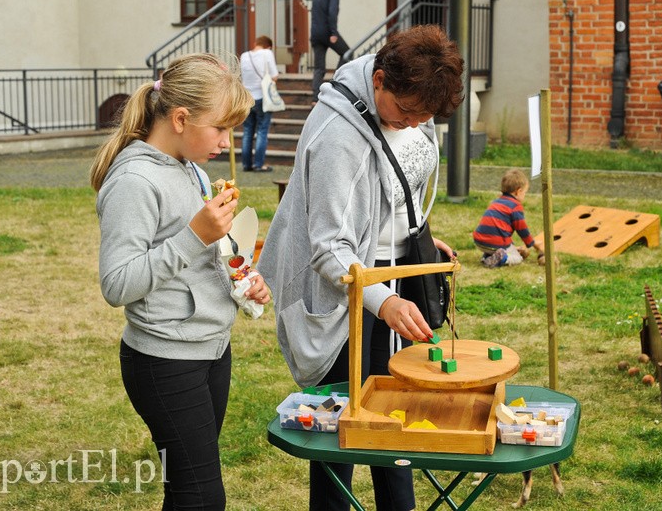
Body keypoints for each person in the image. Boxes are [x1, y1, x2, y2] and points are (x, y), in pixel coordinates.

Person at [259, 25, 464, 511]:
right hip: (347, 295)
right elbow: (329, 246)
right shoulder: (338, 136)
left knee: (395, 428)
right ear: (378, 81)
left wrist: (417, 241)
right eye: (407, 113)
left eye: (425, 117)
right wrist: (385, 301)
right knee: (344, 434)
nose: (414, 124)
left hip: (389, 278)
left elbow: (390, 192)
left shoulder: (411, 99)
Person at [90, 53, 271, 511]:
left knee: (191, 491)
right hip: (165, 361)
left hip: (211, 349)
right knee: (202, 496)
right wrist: (195, 236)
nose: (227, 142)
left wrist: (244, 274)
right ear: (181, 118)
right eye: (220, 129)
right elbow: (117, 283)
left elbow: (204, 255)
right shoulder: (134, 179)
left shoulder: (190, 167)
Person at [473, 168, 545, 268]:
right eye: (525, 192)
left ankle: (487, 257)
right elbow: (522, 230)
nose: (524, 195)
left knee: (505, 246)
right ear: (518, 192)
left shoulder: (496, 202)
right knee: (517, 258)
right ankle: (501, 258)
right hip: (494, 243)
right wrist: (533, 244)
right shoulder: (515, 206)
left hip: (479, 241)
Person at [240, 35, 279, 172]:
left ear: (256, 43)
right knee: (262, 131)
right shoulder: (267, 53)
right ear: (268, 46)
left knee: (247, 131)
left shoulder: (244, 56)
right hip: (262, 97)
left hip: (247, 98)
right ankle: (258, 164)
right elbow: (274, 76)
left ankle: (246, 164)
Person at [310, 0, 350, 104]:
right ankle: (335, 84)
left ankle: (316, 98)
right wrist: (333, 33)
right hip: (327, 32)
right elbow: (332, 13)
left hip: (316, 34)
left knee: (319, 68)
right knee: (347, 53)